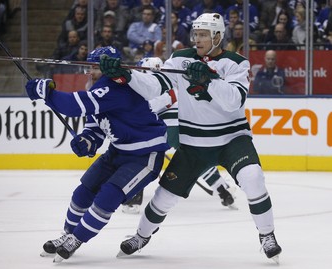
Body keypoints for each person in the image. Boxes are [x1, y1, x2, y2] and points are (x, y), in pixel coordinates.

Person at [100, 12, 282, 263]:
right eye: (196, 33)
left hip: (232, 139)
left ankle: (267, 235)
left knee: (253, 178)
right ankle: (141, 236)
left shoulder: (236, 63)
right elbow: (154, 85)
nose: (198, 39)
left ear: (218, 36)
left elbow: (234, 102)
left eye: (204, 34)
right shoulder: (180, 58)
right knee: (164, 197)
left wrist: (208, 80)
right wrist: (126, 76)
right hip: (193, 145)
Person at [25, 46, 169, 262]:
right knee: (83, 192)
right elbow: (96, 128)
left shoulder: (115, 87)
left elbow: (75, 106)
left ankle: (77, 239)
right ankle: (68, 234)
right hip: (118, 152)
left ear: (108, 67)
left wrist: (47, 92)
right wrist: (87, 141)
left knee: (107, 197)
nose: (89, 72)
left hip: (144, 156)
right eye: (88, 67)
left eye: (94, 67)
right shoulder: (97, 87)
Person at [122, 57, 236, 214]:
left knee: (141, 157)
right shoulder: (172, 83)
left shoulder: (152, 87)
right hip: (186, 125)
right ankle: (223, 191)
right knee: (197, 160)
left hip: (169, 127)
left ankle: (134, 200)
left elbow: (148, 110)